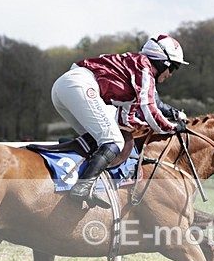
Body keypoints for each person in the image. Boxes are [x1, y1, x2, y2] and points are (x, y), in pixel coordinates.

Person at [51, 35, 189, 208]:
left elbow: (127, 117)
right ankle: (83, 187)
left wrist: (169, 117)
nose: (171, 74)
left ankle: (75, 176)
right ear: (163, 63)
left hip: (65, 87)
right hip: (79, 85)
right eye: (173, 68)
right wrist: (172, 128)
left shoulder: (134, 69)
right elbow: (149, 109)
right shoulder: (144, 68)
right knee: (114, 140)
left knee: (96, 138)